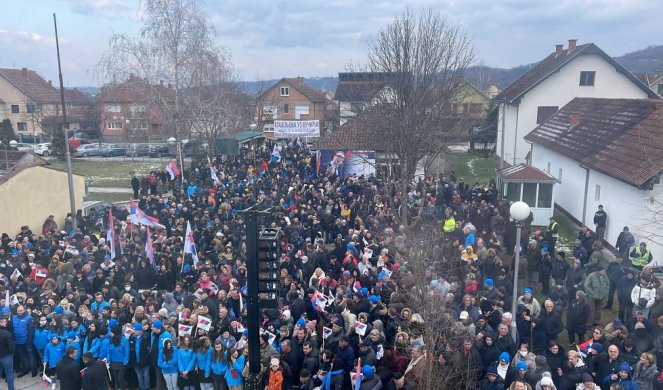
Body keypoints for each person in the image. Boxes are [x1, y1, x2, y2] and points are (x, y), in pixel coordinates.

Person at [0, 314, 16, 390]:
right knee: (9, 373)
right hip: (6, 356)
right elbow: (11, 347)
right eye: (5, 322)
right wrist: (12, 353)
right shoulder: (7, 334)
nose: (6, 323)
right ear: (1, 323)